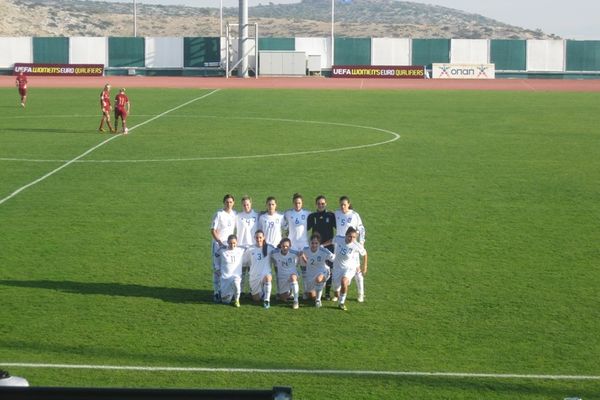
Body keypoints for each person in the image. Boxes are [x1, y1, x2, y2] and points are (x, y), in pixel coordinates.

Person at [334, 195, 367, 302]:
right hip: (339, 245)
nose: (343, 206)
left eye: (345, 204)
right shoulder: (337, 213)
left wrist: (361, 242)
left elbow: (361, 229)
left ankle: (361, 293)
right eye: (341, 205)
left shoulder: (354, 215)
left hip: (352, 246)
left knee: (357, 270)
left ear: (348, 204)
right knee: (338, 268)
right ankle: (337, 292)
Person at [307, 194, 336, 300]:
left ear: (326, 204)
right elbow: (303, 229)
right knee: (315, 266)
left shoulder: (331, 215)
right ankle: (313, 289)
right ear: (316, 204)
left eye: (323, 203)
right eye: (319, 203)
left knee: (329, 268)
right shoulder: (312, 216)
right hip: (315, 247)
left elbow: (340, 229)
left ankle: (327, 293)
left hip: (329, 247)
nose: (321, 205)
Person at [332, 227, 367, 311]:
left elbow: (365, 253)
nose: (352, 239)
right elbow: (331, 241)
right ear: (346, 235)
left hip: (349, 268)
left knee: (344, 282)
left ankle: (341, 303)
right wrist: (322, 245)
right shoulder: (338, 239)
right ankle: (337, 293)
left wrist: (365, 266)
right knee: (336, 291)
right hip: (337, 268)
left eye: (354, 237)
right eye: (350, 236)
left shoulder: (356, 245)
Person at [284, 193, 311, 299]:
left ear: (302, 203)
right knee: (291, 270)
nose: (297, 205)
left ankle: (305, 291)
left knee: (304, 270)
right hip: (292, 246)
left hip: (304, 245)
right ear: (293, 203)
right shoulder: (288, 213)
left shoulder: (307, 213)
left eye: (299, 203)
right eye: (295, 203)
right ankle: (290, 292)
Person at [210, 194, 237, 303]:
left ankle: (225, 291)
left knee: (227, 269)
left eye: (231, 202)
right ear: (224, 203)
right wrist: (219, 242)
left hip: (229, 246)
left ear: (233, 203)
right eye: (227, 202)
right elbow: (212, 230)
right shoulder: (219, 214)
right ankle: (216, 292)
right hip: (218, 245)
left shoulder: (234, 214)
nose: (229, 204)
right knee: (217, 269)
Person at [300, 233, 335, 308]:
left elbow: (334, 259)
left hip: (323, 271)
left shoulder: (324, 251)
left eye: (316, 243)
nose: (314, 245)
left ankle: (318, 301)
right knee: (311, 296)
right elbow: (300, 254)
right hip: (311, 274)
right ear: (310, 243)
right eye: (312, 243)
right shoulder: (305, 250)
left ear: (319, 244)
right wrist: (304, 259)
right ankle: (310, 292)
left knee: (319, 279)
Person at [243, 230, 275, 309]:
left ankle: (267, 300)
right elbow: (244, 262)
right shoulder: (250, 249)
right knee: (256, 299)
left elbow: (279, 255)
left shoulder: (270, 248)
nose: (259, 239)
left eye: (260, 237)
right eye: (257, 237)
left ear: (264, 238)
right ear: (254, 238)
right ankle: (263, 291)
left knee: (268, 278)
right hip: (254, 276)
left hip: (265, 274)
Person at [236, 195, 258, 295]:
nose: (246, 206)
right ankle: (239, 292)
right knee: (242, 271)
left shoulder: (257, 215)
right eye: (244, 205)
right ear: (242, 205)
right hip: (241, 247)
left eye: (248, 204)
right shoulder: (238, 216)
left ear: (251, 204)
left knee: (252, 271)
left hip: (253, 247)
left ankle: (251, 291)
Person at [215, 234, 244, 307]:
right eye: (230, 243)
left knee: (237, 284)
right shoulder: (222, 250)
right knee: (226, 301)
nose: (232, 245)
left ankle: (237, 300)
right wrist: (217, 268)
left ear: (237, 242)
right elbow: (216, 256)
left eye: (234, 243)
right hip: (225, 278)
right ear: (227, 242)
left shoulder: (241, 250)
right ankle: (222, 293)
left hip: (236, 276)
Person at [271, 238, 301, 309]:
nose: (285, 248)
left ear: (290, 246)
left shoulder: (293, 252)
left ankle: (296, 301)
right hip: (282, 277)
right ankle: (289, 292)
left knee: (293, 278)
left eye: (287, 246)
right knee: (283, 298)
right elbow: (269, 255)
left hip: (292, 274)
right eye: (283, 246)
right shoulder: (275, 253)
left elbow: (300, 254)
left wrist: (303, 258)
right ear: (280, 246)